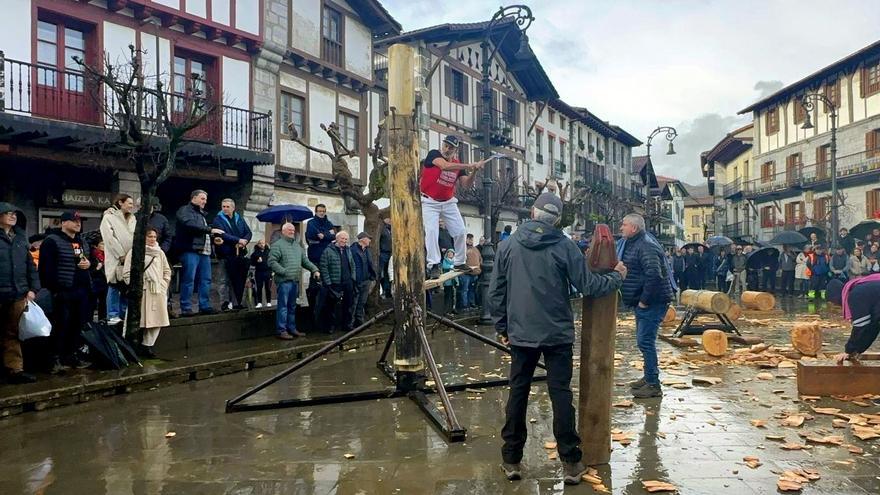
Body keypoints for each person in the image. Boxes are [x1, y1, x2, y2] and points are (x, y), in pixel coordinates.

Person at [489, 193, 625, 484]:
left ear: (532, 212)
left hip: (521, 333)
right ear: (558, 220)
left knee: (518, 392)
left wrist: (503, 328)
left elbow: (496, 292)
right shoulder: (565, 246)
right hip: (557, 333)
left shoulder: (508, 245)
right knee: (561, 394)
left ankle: (511, 460)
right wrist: (616, 277)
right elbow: (589, 285)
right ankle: (571, 462)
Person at [619, 213, 673, 399]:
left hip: (652, 302)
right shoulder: (634, 244)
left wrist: (644, 300)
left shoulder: (646, 246)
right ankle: (648, 377)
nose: (621, 227)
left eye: (624, 224)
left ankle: (653, 385)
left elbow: (654, 275)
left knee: (646, 341)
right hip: (643, 301)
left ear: (634, 228)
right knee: (643, 341)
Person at [421, 134, 490, 278]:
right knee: (432, 231)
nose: (447, 149)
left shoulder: (458, 165)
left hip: (448, 202)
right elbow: (444, 166)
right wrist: (469, 165)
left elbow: (466, 185)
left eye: (451, 148)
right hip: (429, 201)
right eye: (445, 146)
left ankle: (459, 262)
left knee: (460, 231)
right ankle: (433, 264)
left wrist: (474, 171)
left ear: (455, 150)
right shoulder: (434, 155)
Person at [39, 211, 92, 372]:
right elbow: (45, 268)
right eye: (73, 220)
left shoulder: (81, 241)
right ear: (63, 223)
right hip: (62, 292)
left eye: (79, 221)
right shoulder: (52, 241)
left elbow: (87, 261)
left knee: (76, 325)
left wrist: (89, 264)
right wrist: (54, 290)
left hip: (81, 291)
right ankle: (54, 358)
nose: (78, 223)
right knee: (59, 325)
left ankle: (71, 355)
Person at [0, 204, 40, 383]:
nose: (12, 216)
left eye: (14, 214)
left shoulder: (20, 239)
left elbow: (30, 266)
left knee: (13, 333)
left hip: (17, 293)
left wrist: (33, 288)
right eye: (7, 213)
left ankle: (15, 369)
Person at [173, 190, 224, 316]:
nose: (205, 202)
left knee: (206, 279)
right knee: (189, 279)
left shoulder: (201, 214)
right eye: (202, 198)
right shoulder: (184, 210)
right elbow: (189, 225)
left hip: (204, 251)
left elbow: (202, 232)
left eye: (205, 199)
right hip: (191, 249)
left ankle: (204, 306)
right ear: (194, 198)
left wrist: (213, 238)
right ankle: (186, 308)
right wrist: (210, 230)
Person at [122, 227, 171, 358]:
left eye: (154, 237)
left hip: (157, 292)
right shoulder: (135, 251)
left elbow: (166, 270)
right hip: (141, 292)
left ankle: (147, 346)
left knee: (157, 321)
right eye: (149, 236)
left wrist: (163, 284)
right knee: (139, 321)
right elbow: (127, 273)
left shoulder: (160, 253)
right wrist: (136, 286)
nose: (152, 239)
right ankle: (133, 347)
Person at [269, 223, 319, 340]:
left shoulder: (297, 246)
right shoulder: (277, 245)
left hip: (295, 281)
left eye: (293, 230)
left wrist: (314, 269)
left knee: (292, 307)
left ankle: (292, 328)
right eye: (289, 230)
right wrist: (283, 271)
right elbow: (272, 262)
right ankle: (281, 330)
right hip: (284, 281)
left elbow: (305, 261)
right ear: (283, 231)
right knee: (283, 307)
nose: (292, 231)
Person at [826, 275, 880, 366]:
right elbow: (872, 328)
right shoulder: (861, 289)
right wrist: (858, 350)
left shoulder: (856, 294)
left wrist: (849, 350)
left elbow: (861, 326)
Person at [100, 193, 136, 325]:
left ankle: (123, 313)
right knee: (114, 285)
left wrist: (131, 255)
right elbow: (109, 239)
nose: (132, 206)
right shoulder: (109, 217)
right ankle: (112, 314)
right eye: (129, 203)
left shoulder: (133, 218)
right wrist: (120, 254)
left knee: (126, 285)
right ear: (121, 202)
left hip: (130, 257)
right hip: (116, 258)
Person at [212, 198, 252, 311]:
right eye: (223, 206)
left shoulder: (239, 219)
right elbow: (223, 235)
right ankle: (224, 303)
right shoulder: (218, 219)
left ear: (233, 208)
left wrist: (245, 241)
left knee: (238, 279)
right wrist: (238, 240)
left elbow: (248, 232)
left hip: (239, 254)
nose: (225, 209)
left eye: (227, 207)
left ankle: (237, 302)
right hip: (225, 254)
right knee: (223, 280)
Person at [317, 231, 356, 334]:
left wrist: (353, 278)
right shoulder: (328, 251)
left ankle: (346, 325)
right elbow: (323, 267)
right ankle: (330, 327)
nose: (344, 241)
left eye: (346, 239)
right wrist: (328, 282)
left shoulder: (348, 250)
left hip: (347, 281)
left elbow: (352, 264)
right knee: (331, 306)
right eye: (342, 238)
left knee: (348, 304)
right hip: (335, 282)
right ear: (337, 239)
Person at [351, 232, 376, 327]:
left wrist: (371, 277)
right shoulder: (353, 250)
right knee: (354, 303)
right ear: (363, 239)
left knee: (362, 302)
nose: (369, 240)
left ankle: (360, 322)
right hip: (357, 281)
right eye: (368, 238)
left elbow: (370, 264)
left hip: (366, 280)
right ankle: (351, 323)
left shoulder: (367, 250)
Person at [459, 233, 482, 310]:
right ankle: (465, 305)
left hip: (474, 273)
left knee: (472, 290)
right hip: (465, 273)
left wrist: (478, 267)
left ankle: (471, 304)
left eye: (471, 239)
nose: (470, 241)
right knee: (465, 290)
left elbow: (480, 259)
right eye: (469, 239)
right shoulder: (463, 249)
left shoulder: (475, 249)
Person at [89, 240, 108, 320]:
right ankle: (90, 319)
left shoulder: (106, 255)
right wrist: (97, 268)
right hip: (95, 281)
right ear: (96, 246)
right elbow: (89, 271)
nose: (104, 246)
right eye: (102, 244)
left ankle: (102, 319)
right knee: (92, 302)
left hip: (104, 281)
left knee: (103, 301)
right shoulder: (92, 256)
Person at [250, 239, 272, 308]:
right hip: (259, 272)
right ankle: (259, 302)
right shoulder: (255, 253)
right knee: (259, 288)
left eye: (263, 243)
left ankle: (269, 302)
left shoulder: (269, 252)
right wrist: (257, 261)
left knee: (268, 288)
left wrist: (273, 271)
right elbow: (252, 263)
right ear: (258, 244)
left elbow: (273, 261)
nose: (262, 245)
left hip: (268, 271)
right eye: (260, 243)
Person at [378, 217, 393, 299]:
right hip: (383, 253)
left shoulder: (391, 229)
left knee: (388, 273)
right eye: (388, 218)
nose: (390, 220)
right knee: (381, 273)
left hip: (390, 253)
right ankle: (383, 290)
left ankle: (388, 291)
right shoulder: (382, 228)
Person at [441, 249, 457, 314]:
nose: (450, 254)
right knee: (447, 295)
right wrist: (451, 267)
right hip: (447, 281)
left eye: (451, 253)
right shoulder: (445, 260)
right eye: (449, 253)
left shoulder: (455, 260)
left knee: (453, 296)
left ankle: (453, 308)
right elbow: (444, 266)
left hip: (454, 280)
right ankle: (446, 309)